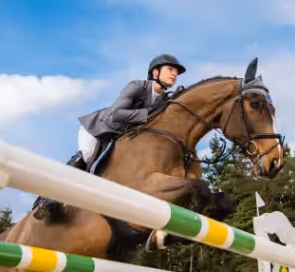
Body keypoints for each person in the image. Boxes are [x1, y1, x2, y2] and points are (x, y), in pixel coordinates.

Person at [32, 54, 186, 220]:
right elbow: (116, 113)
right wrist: (148, 114)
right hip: (98, 129)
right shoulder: (136, 86)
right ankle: (47, 199)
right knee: (87, 157)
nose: (174, 74)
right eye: (170, 69)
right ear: (155, 72)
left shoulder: (163, 100)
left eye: (176, 72)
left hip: (117, 139)